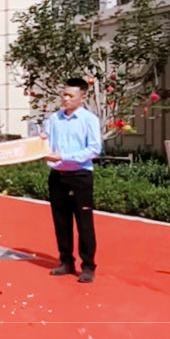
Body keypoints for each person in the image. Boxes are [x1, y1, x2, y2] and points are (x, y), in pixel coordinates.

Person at [43, 77, 104, 283]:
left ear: (82, 97)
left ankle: (88, 266)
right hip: (58, 177)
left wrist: (65, 157)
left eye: (70, 95)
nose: (66, 98)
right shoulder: (54, 119)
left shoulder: (89, 120)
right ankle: (66, 261)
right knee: (61, 221)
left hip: (80, 176)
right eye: (64, 94)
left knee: (84, 223)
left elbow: (94, 149)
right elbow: (46, 143)